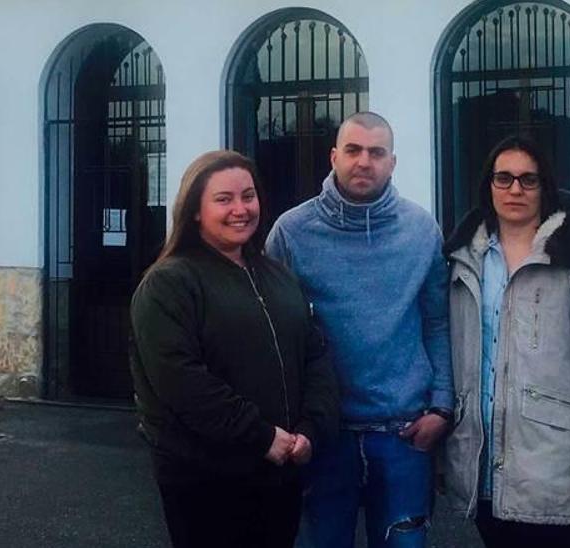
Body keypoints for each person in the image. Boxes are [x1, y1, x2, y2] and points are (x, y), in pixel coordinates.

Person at [129, 150, 339, 548]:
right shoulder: (169, 284)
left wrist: (310, 430)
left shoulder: (278, 276)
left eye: (248, 196)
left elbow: (315, 355)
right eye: (223, 199)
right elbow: (182, 383)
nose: (240, 209)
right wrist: (261, 437)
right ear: (194, 210)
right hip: (206, 484)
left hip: (280, 475)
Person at [266, 112, 453, 548]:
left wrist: (441, 407)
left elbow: (437, 320)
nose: (363, 161)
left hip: (404, 434)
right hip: (325, 437)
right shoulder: (292, 233)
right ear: (334, 156)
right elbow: (271, 331)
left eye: (376, 152)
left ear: (392, 162)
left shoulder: (421, 230)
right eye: (352, 150)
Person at [439, 136, 570, 547]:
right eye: (503, 178)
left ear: (546, 187)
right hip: (481, 462)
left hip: (550, 463)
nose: (516, 190)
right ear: (488, 185)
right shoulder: (463, 260)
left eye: (528, 179)